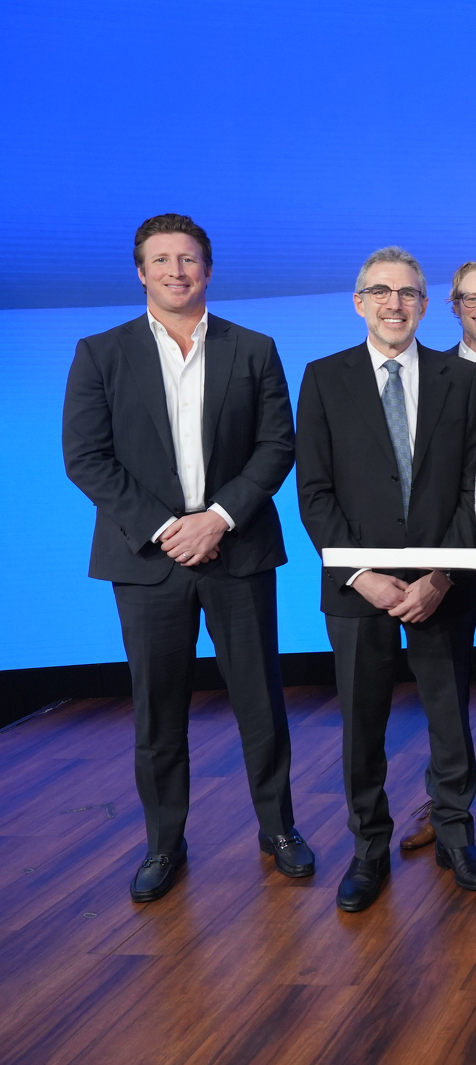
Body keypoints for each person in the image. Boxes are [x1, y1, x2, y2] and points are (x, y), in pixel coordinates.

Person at [62, 213, 309, 902]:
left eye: (189, 259)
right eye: (162, 260)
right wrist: (171, 528)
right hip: (148, 561)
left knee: (260, 701)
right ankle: (164, 843)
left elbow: (277, 446)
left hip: (237, 550)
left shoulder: (253, 348)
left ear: (208, 268)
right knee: (158, 710)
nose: (177, 271)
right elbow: (85, 458)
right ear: (141, 272)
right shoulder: (99, 353)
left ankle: (279, 829)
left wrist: (219, 519)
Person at [295, 246, 476, 912]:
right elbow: (315, 492)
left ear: (425, 304)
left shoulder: (461, 380)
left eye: (408, 292)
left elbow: (475, 488)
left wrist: (441, 573)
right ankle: (369, 846)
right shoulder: (323, 378)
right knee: (362, 721)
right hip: (359, 588)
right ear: (359, 303)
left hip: (441, 583)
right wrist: (363, 574)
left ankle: (455, 834)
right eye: (380, 292)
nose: (394, 303)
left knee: (449, 713)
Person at [400, 257, 476, 853]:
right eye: (470, 299)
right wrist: (441, 560)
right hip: (447, 554)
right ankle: (448, 805)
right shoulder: (426, 374)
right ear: (452, 307)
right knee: (443, 688)